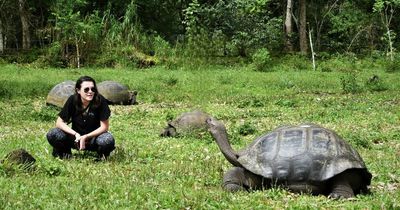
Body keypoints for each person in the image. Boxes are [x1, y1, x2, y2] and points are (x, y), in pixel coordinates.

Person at [46, 76, 115, 159]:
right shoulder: (72, 100)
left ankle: (102, 156)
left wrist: (86, 136)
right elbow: (59, 123)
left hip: (94, 139)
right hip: (75, 139)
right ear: (78, 90)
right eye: (86, 89)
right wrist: (75, 134)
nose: (90, 92)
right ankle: (64, 153)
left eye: (93, 89)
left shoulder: (100, 101)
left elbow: (104, 127)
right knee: (53, 134)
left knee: (107, 140)